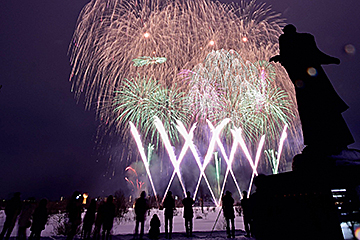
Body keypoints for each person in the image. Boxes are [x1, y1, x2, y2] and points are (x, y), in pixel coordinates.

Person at [270, 24, 354, 155]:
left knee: (318, 110)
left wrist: (331, 60)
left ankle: (327, 141)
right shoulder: (299, 40)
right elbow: (315, 55)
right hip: (308, 84)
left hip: (310, 84)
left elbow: (315, 55)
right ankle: (323, 141)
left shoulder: (302, 40)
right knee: (315, 111)